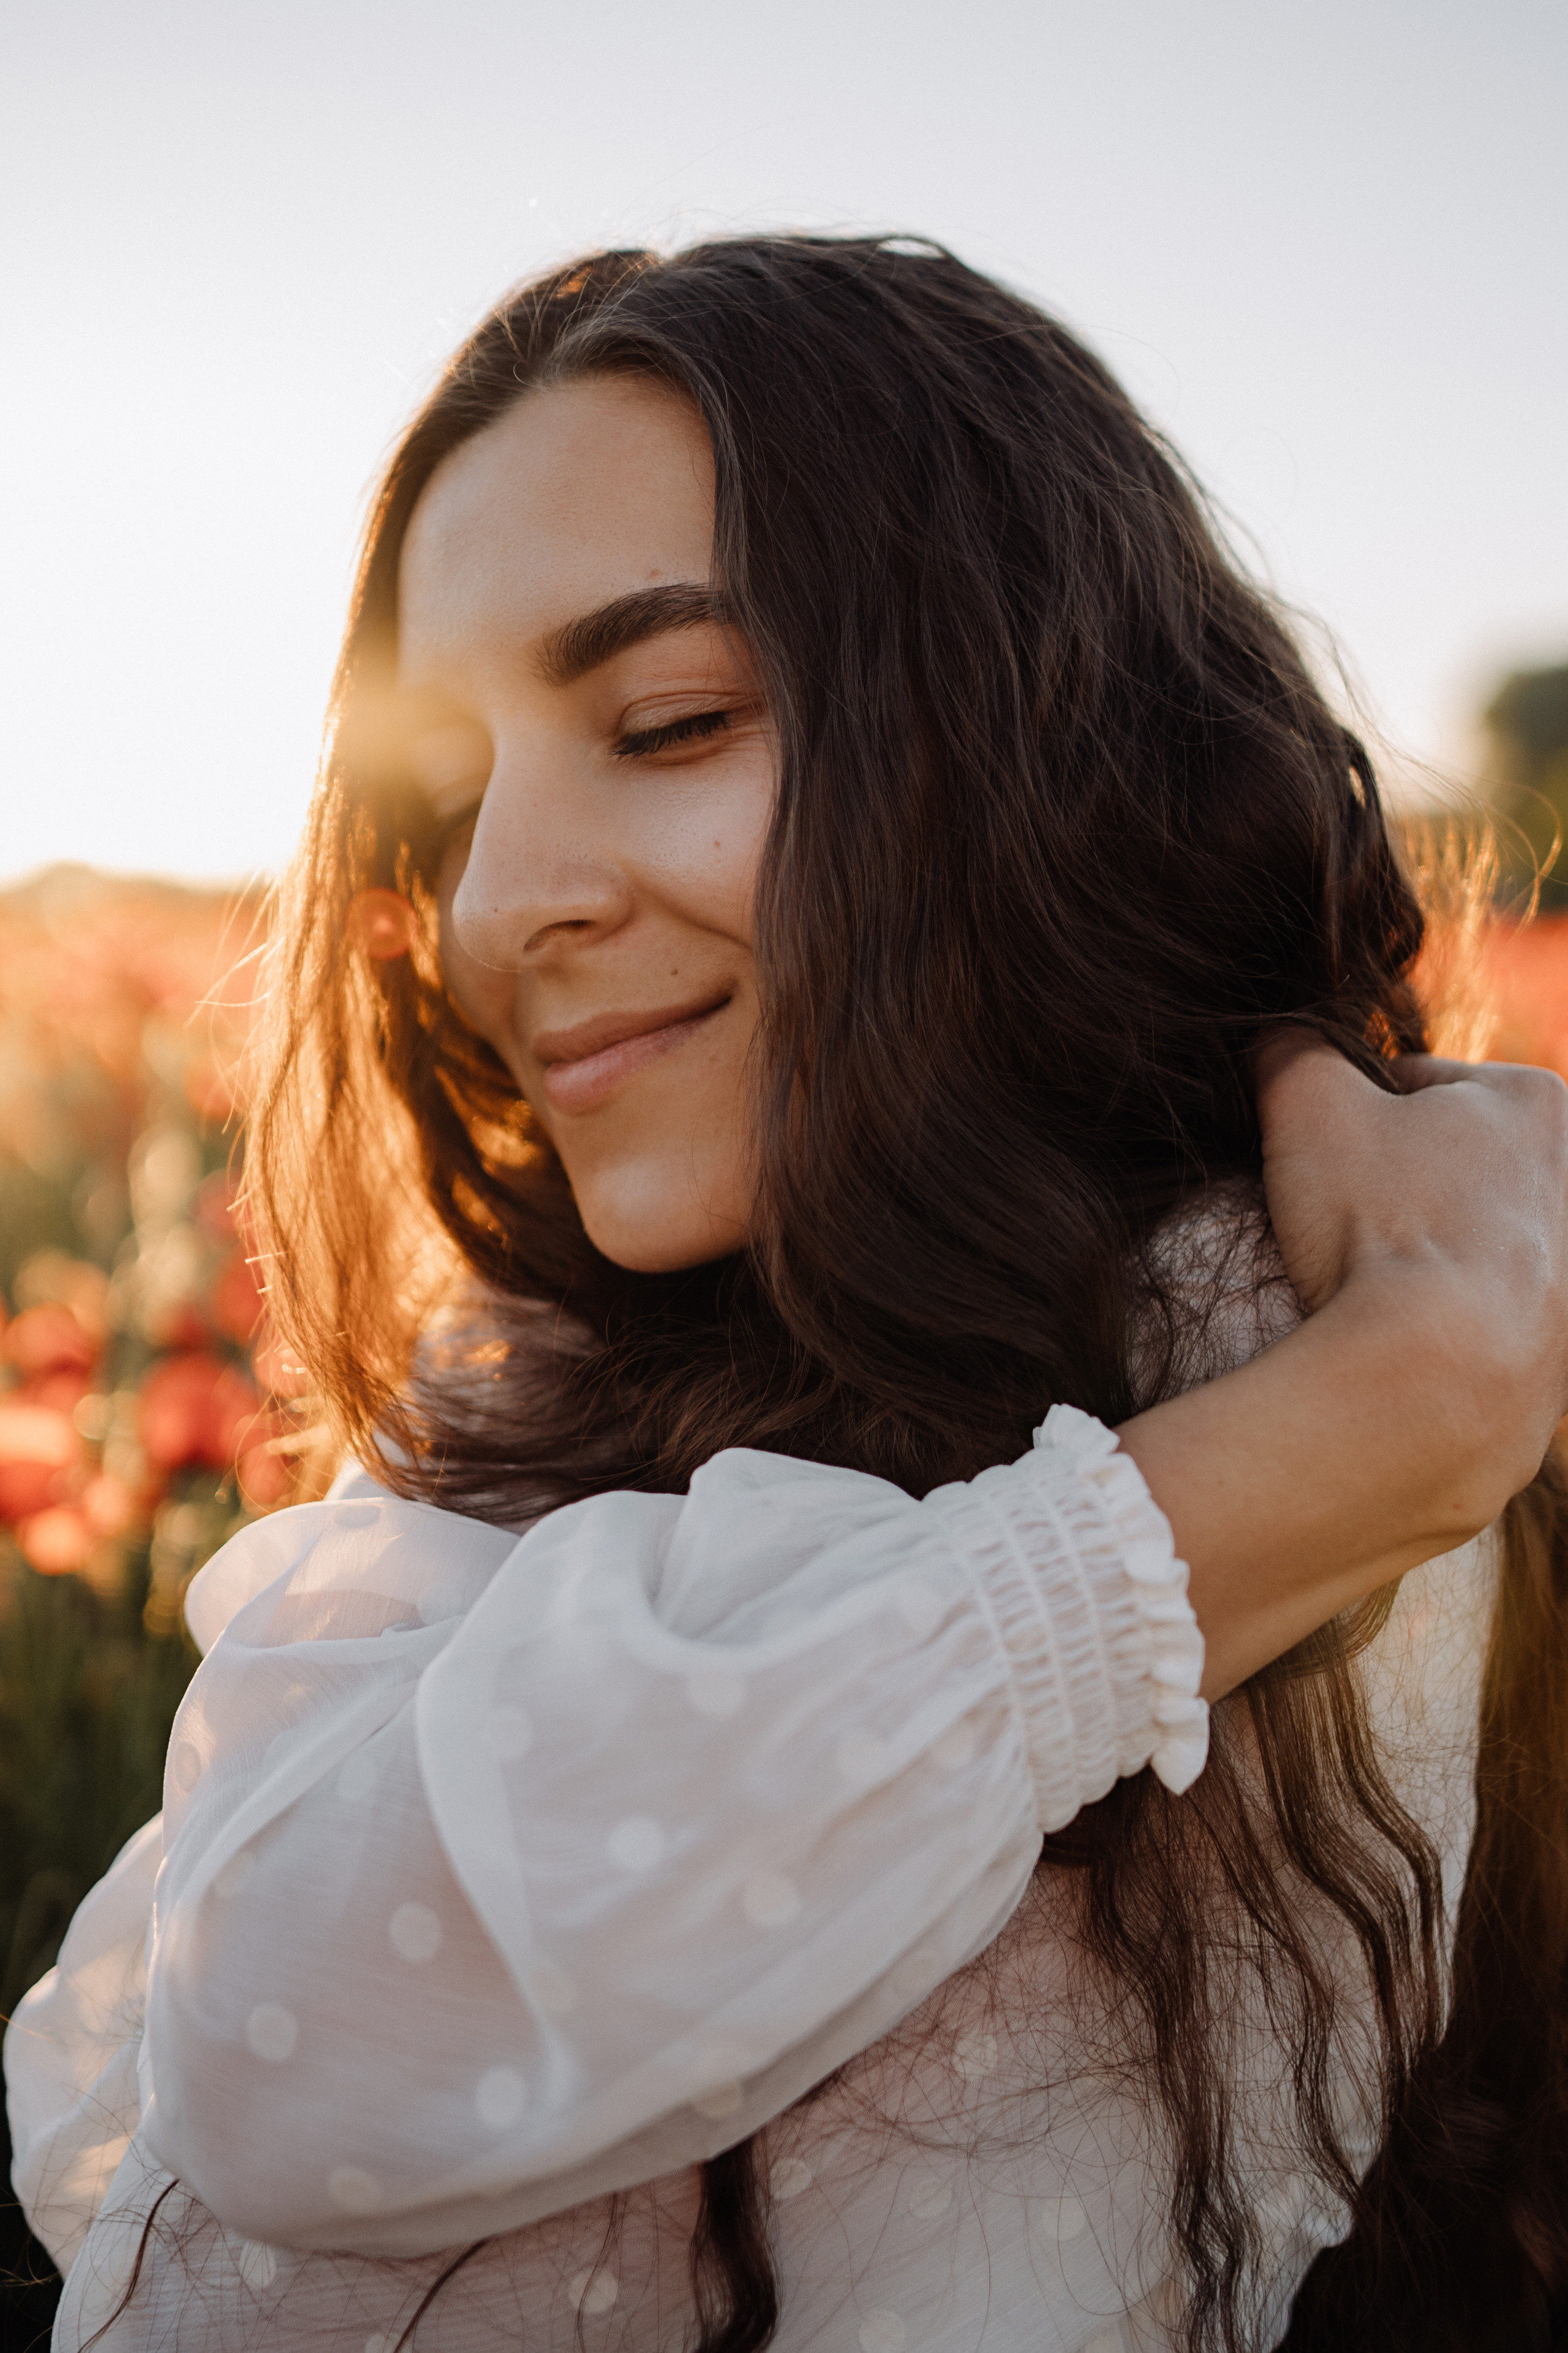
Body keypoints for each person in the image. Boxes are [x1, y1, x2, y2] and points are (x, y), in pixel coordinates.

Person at [7, 237, 1568, 2353]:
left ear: (1030, 734)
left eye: (666, 721)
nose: (494, 905)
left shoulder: (1248, 1330)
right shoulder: (548, 1380)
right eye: (447, 801)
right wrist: (1367, 1431)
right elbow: (277, 2032)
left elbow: (320, 2061)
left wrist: (1385, 1400)